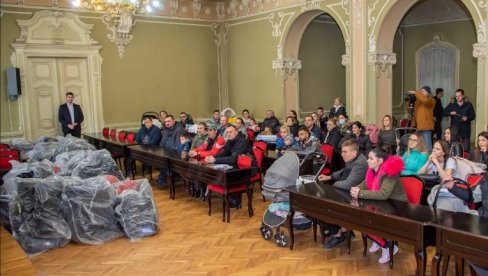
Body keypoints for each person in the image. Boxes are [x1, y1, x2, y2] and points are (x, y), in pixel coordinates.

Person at [350, 149, 407, 264]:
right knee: (360, 218)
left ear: (380, 160)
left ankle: (387, 247)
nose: (367, 161)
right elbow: (365, 183)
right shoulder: (372, 170)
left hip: (397, 208)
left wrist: (360, 193)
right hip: (382, 204)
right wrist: (357, 188)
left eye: (371, 158)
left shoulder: (390, 172)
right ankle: (378, 240)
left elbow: (383, 194)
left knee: (366, 221)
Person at [318, 140, 367, 248]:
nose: (341, 154)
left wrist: (333, 183)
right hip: (348, 193)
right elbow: (344, 171)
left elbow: (348, 184)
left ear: (354, 153)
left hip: (356, 198)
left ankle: (338, 234)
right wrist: (330, 177)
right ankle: (338, 229)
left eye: (345, 152)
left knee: (322, 207)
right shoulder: (354, 158)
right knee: (320, 202)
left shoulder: (360, 163)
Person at [189, 123, 226, 198]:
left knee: (199, 169)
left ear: (215, 131)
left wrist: (198, 154)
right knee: (192, 167)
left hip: (215, 161)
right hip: (206, 159)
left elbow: (213, 152)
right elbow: (203, 147)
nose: (208, 132)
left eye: (210, 130)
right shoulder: (208, 138)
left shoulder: (220, 139)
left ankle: (202, 188)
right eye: (207, 130)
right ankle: (198, 187)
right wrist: (193, 151)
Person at [157, 115, 185, 188]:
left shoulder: (179, 129)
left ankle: (162, 180)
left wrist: (168, 152)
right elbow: (163, 140)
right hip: (166, 151)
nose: (167, 123)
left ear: (174, 121)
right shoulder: (166, 129)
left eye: (169, 121)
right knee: (158, 159)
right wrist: (160, 150)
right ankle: (163, 178)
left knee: (165, 162)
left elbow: (177, 144)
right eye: (165, 122)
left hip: (176, 153)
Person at [407, 86, 435, 153]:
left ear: (428, 92)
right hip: (418, 127)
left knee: (428, 148)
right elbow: (410, 110)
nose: (422, 92)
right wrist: (410, 102)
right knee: (419, 147)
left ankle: (429, 161)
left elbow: (425, 100)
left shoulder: (431, 100)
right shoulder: (418, 102)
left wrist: (415, 92)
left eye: (424, 91)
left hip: (426, 127)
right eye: (421, 91)